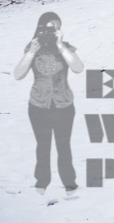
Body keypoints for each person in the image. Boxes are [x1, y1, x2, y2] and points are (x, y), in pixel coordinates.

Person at [14, 11, 83, 195]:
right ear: (39, 29)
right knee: (42, 146)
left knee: (64, 146)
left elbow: (78, 68)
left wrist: (60, 46)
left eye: (56, 29)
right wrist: (31, 53)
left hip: (64, 106)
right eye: (48, 29)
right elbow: (18, 74)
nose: (51, 33)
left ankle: (69, 183)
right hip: (38, 107)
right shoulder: (32, 47)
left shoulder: (65, 48)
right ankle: (41, 183)